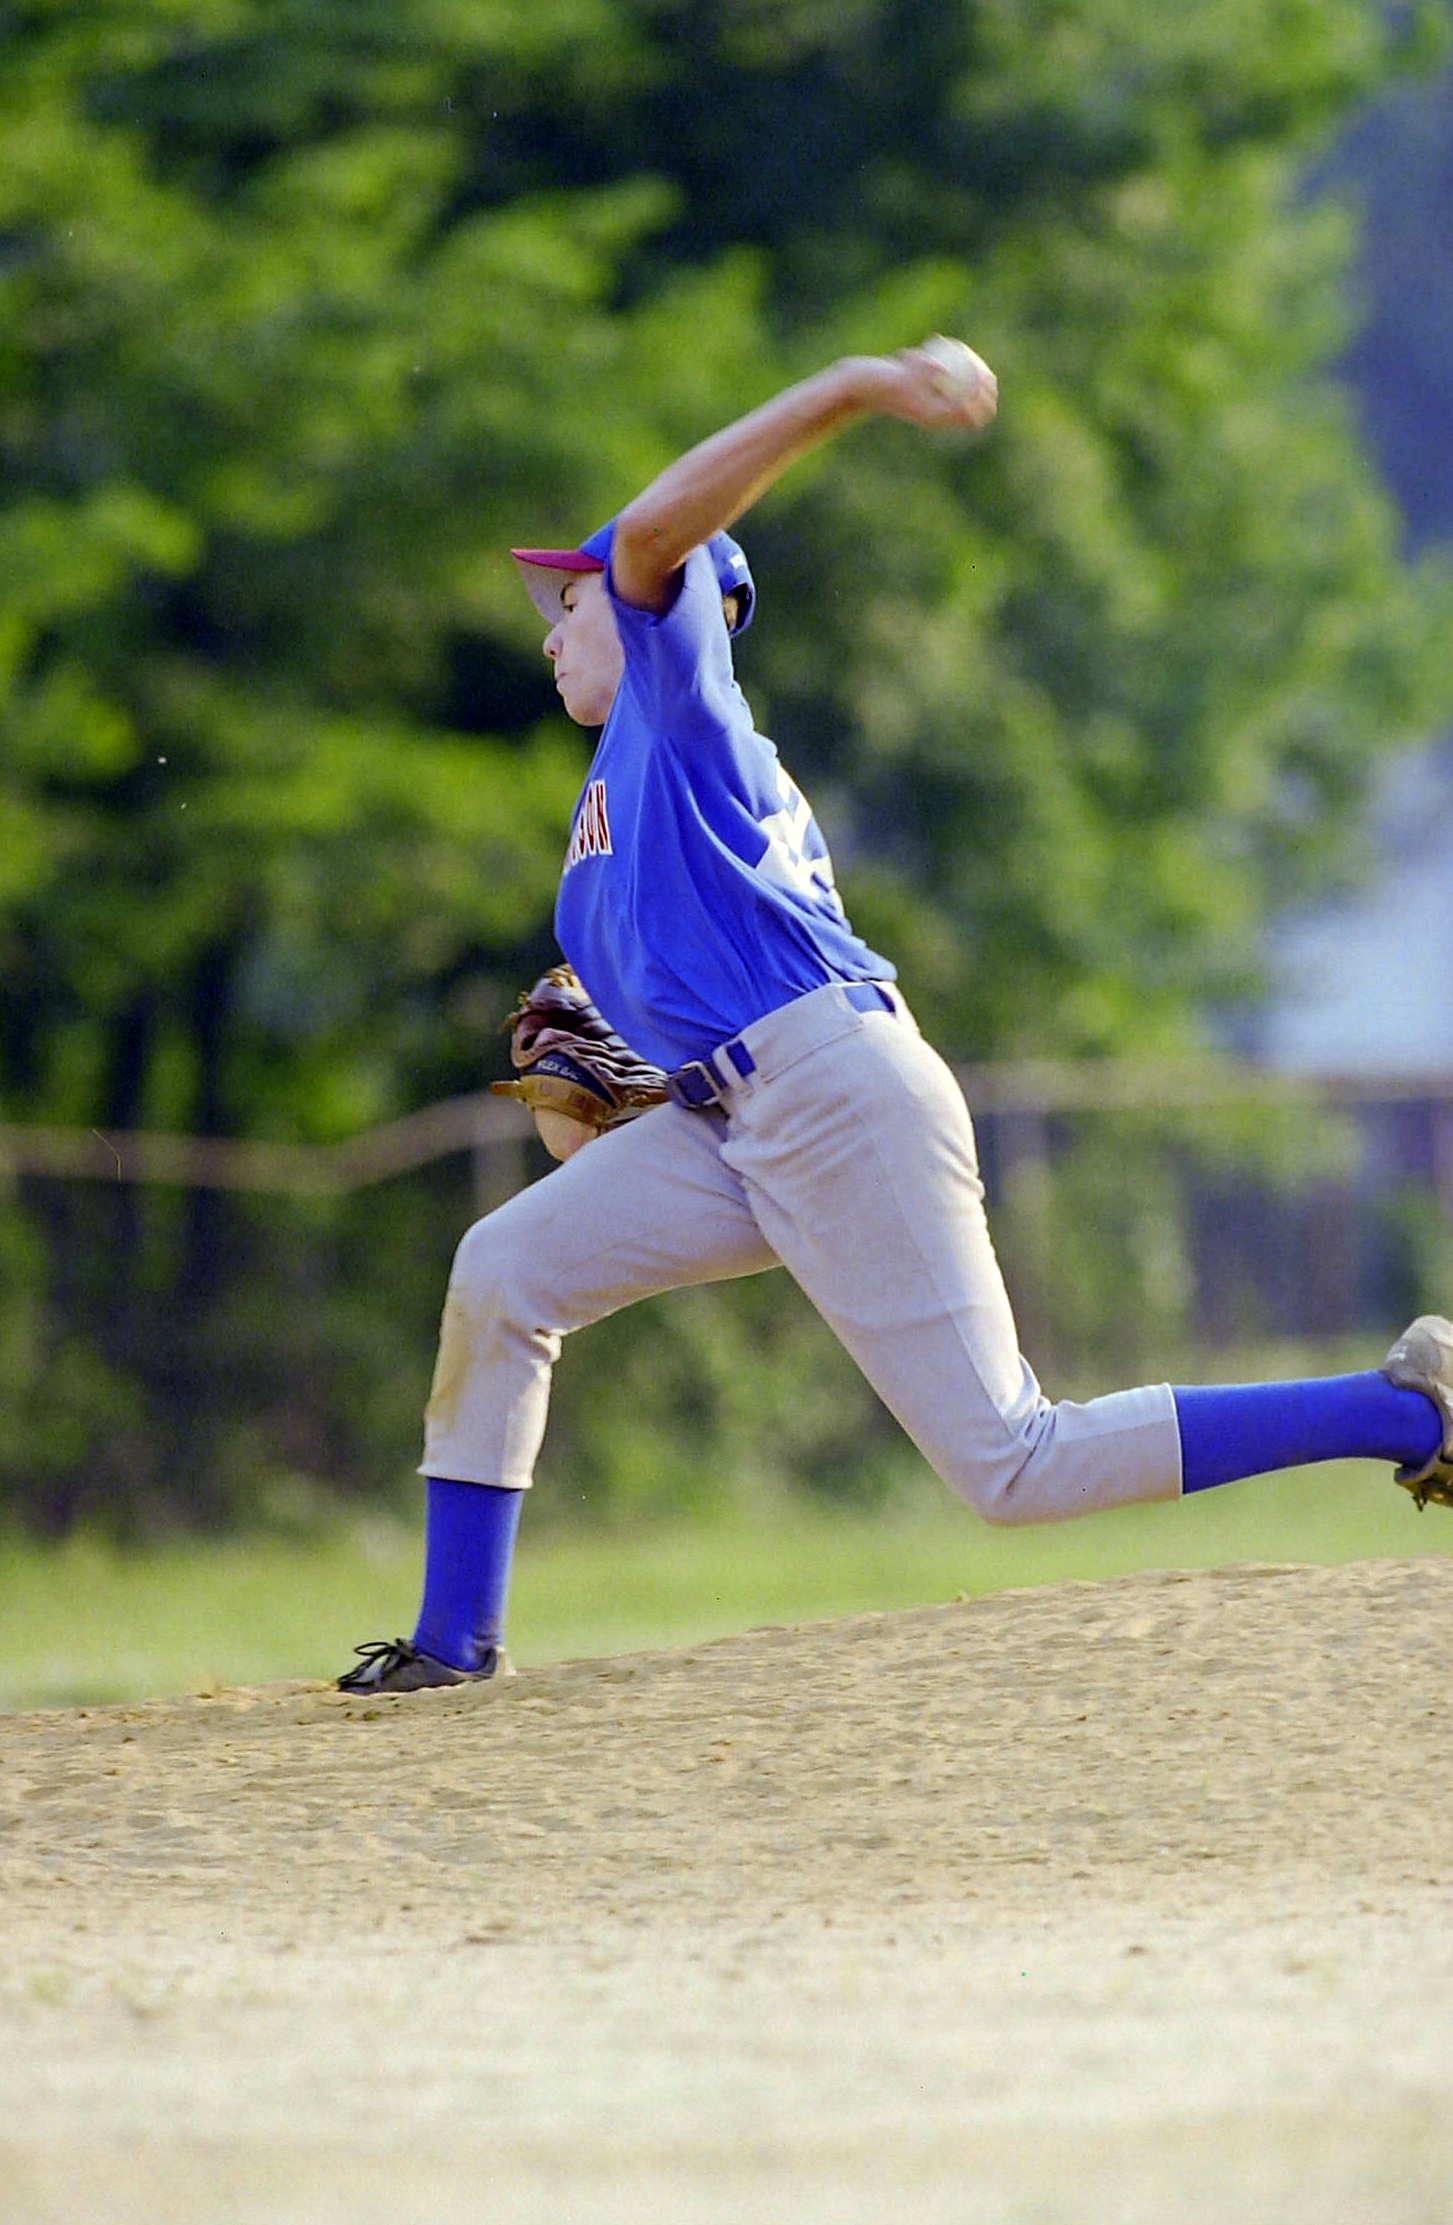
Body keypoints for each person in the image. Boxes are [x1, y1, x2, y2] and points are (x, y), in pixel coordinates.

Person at [338, 339, 1453, 1693]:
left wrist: (856, 387)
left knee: (1012, 1462)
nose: (550, 631)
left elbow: (651, 537)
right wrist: (604, 1096)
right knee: (506, 1269)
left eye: (567, 602)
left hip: (832, 1088)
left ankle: (1400, 1410)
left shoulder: (683, 706)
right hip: (737, 1117)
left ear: (660, 604)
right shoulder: (614, 825)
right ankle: (453, 1645)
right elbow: (596, 1134)